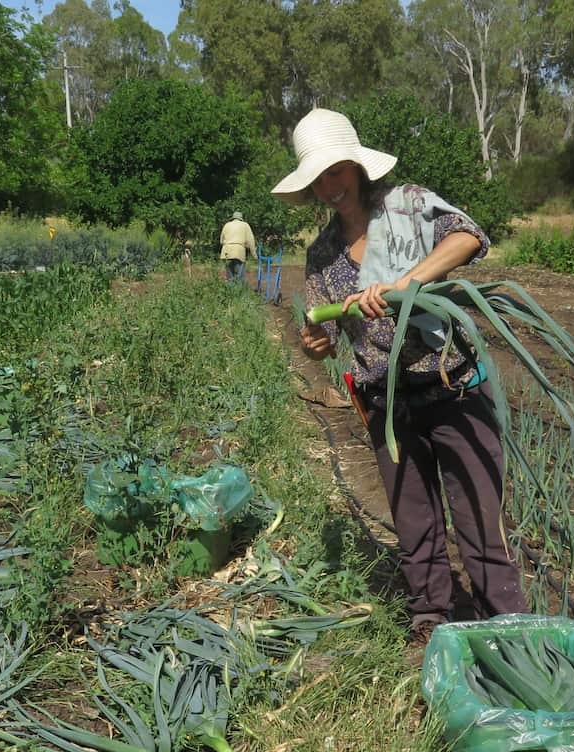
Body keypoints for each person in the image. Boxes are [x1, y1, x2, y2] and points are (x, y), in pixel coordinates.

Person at [272, 108, 527, 645]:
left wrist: (403, 285)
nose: (327, 186)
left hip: (452, 383)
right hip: (387, 403)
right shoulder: (321, 254)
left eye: (335, 171)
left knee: (479, 518)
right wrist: (316, 342)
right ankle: (430, 620)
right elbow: (328, 336)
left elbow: (468, 237)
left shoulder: (408, 205)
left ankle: (505, 627)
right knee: (415, 523)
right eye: (316, 178)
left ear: (357, 166)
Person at [219, 211, 256, 285]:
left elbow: (221, 241)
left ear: (233, 218)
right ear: (241, 218)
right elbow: (251, 241)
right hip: (239, 252)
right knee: (239, 277)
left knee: (230, 277)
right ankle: (239, 294)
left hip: (227, 252)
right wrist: (254, 254)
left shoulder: (227, 225)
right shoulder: (245, 225)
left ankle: (231, 294)